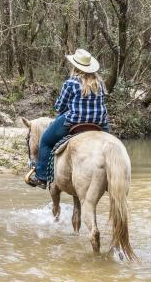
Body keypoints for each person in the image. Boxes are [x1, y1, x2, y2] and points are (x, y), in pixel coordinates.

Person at [26, 48, 109, 189]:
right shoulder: (100, 83)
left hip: (74, 121)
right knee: (113, 146)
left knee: (45, 140)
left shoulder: (70, 83)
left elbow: (60, 106)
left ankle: (41, 177)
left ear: (75, 66)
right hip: (100, 122)